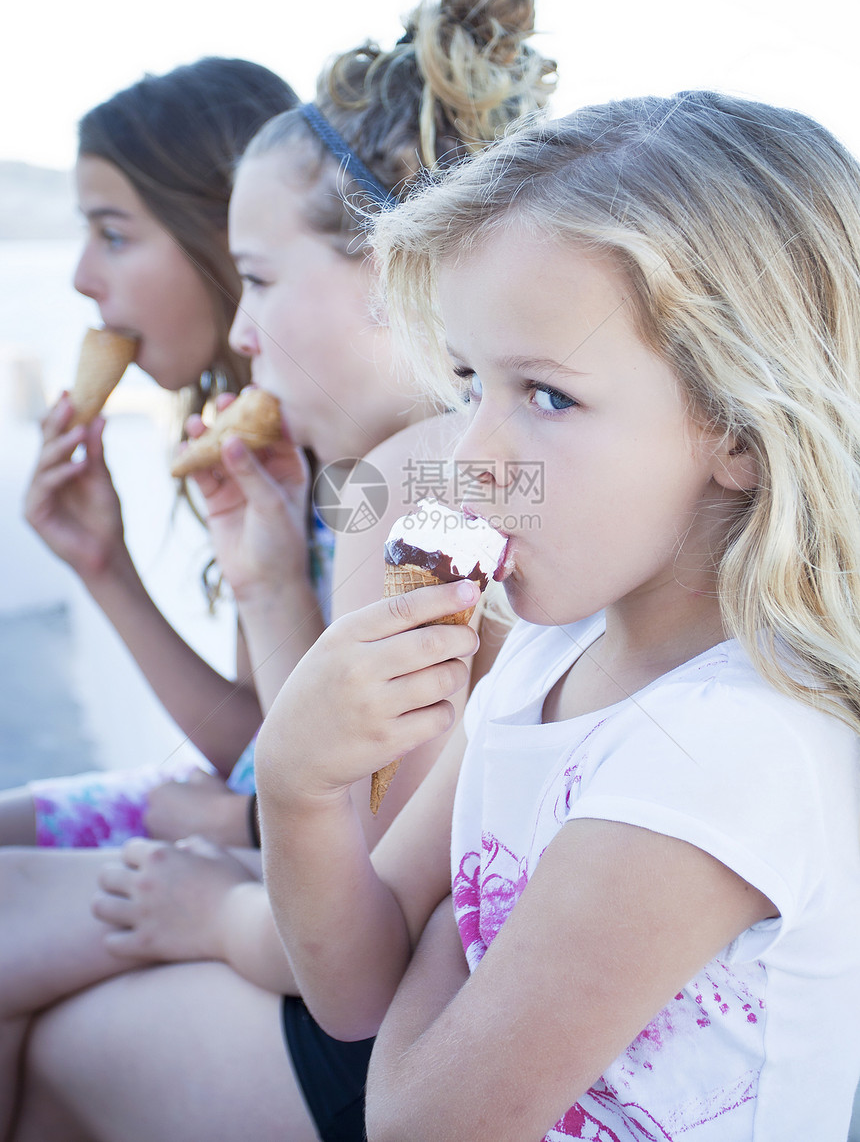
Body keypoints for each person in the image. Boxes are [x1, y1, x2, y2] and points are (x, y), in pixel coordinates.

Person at [2, 0, 556, 1142]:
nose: (244, 332)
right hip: (383, 995)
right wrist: (255, 575)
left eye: (258, 281)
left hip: (377, 1036)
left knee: (36, 996)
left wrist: (210, 872)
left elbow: (349, 886)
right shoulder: (396, 473)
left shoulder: (415, 485)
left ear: (395, 275)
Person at [246, 90, 860, 1141]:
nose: (469, 454)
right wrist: (301, 790)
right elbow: (353, 990)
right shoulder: (547, 651)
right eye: (467, 382)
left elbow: (414, 1121)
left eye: (546, 396)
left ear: (741, 432)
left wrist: (447, 928)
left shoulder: (719, 748)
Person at [2, 57, 299, 850]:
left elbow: (320, 794)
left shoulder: (344, 460)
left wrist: (232, 821)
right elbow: (258, 744)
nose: (80, 278)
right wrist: (104, 566)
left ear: (227, 236)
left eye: (113, 234)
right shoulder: (240, 440)